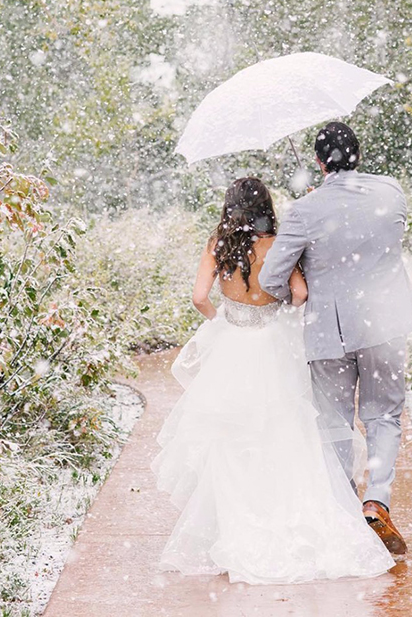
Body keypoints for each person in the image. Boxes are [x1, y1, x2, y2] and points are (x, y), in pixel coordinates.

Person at [152, 177, 393, 584]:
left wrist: (223, 320)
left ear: (231, 208)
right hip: (274, 347)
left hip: (233, 346)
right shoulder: (277, 244)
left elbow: (198, 297)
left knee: (232, 440)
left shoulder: (218, 244)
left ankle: (233, 527)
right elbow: (299, 293)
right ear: (265, 206)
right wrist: (276, 310)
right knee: (289, 431)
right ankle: (291, 517)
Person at [259, 122, 412, 555]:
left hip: (330, 331)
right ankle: (376, 501)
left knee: (334, 421)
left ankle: (344, 510)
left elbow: (273, 277)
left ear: (318, 162)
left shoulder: (305, 211)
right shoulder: (392, 192)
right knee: (384, 415)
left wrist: (307, 270)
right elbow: (387, 241)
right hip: (386, 321)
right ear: (359, 155)